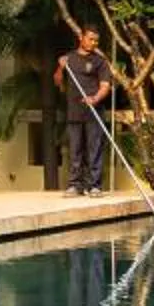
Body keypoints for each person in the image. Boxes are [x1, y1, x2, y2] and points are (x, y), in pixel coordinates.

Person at [56, 27, 112, 194]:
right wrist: (61, 67)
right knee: (75, 150)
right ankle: (75, 185)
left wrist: (94, 98)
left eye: (96, 40)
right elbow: (57, 81)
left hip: (93, 112)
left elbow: (105, 86)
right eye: (90, 39)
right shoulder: (70, 58)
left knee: (94, 149)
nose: (93, 43)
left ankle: (94, 185)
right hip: (74, 111)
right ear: (81, 37)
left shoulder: (100, 62)